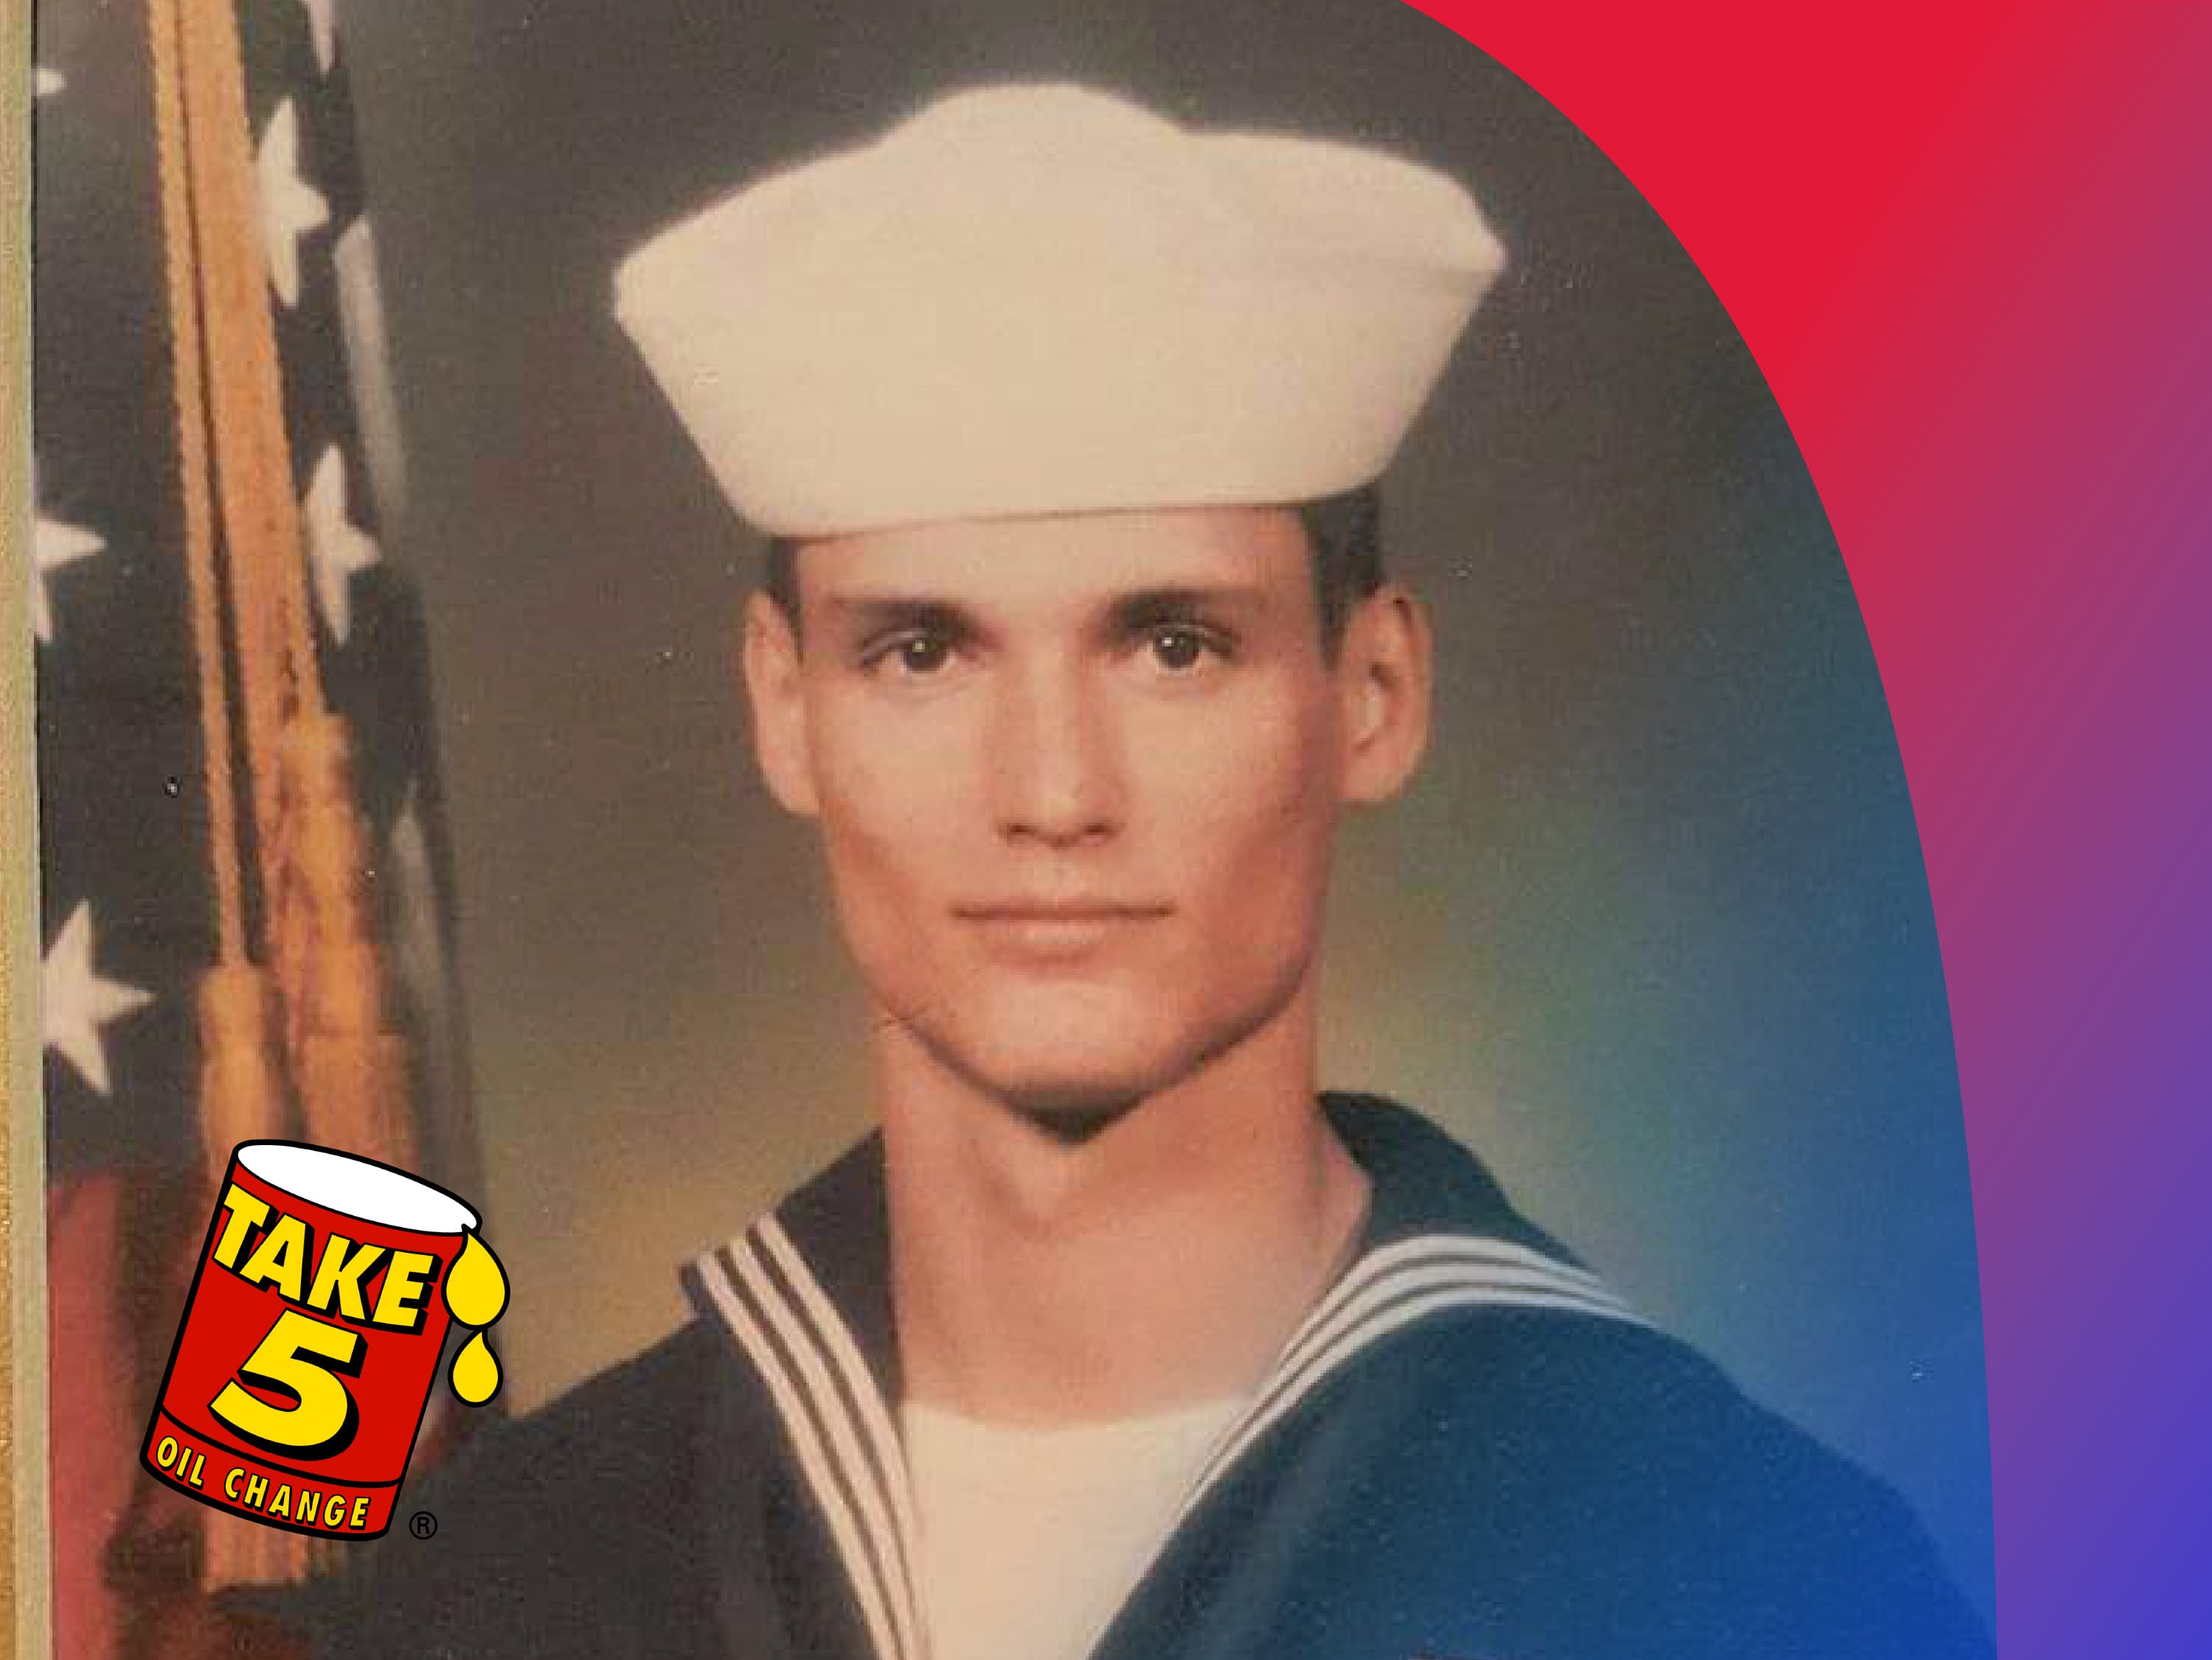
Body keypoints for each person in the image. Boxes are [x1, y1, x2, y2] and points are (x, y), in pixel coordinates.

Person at [312, 84, 1990, 1660]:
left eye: (1174, 646)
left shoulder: (1733, 1562)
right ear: (783, 707)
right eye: (922, 654)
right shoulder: (522, 1578)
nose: (1054, 792)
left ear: (1374, 693)